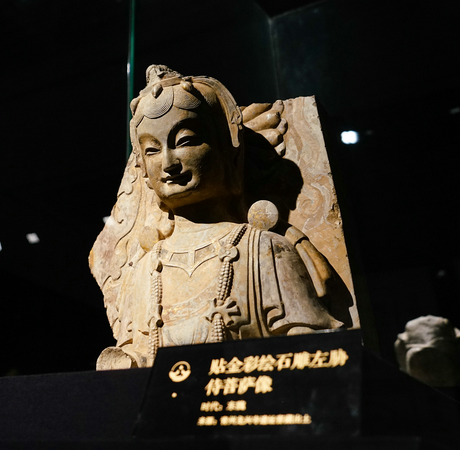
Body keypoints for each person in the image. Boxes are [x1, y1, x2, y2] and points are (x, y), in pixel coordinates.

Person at [91, 66, 341, 369]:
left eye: (185, 141)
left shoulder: (263, 251)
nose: (169, 163)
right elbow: (135, 357)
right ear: (142, 171)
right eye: (152, 150)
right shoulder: (142, 271)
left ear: (229, 152)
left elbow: (315, 355)